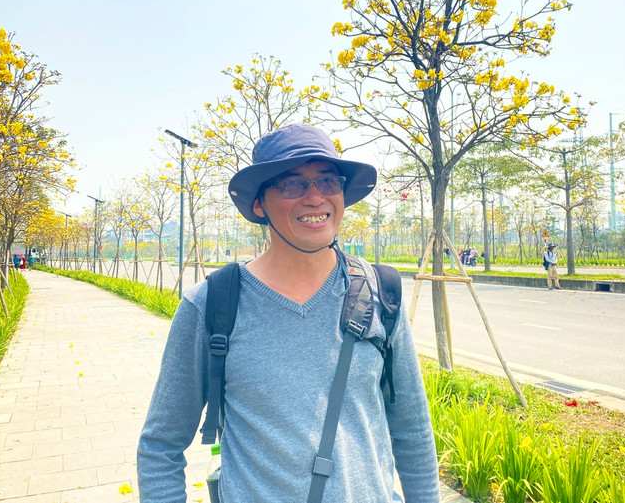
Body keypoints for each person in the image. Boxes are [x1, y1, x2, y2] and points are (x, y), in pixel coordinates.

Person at [137, 124, 440, 503]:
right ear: (260, 205)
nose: (315, 198)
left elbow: (411, 429)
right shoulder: (211, 305)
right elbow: (161, 445)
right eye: (292, 185)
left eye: (328, 182)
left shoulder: (381, 293)